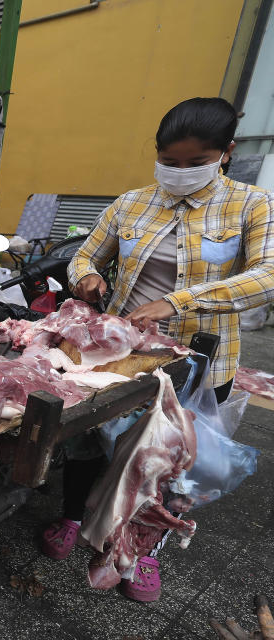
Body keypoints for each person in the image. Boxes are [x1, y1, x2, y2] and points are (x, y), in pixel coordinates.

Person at [43, 97, 274, 602]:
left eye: (196, 162)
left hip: (200, 360)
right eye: (169, 162)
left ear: (226, 153)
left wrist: (176, 302)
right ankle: (72, 516)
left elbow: (267, 277)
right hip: (123, 355)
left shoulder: (253, 205)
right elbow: (85, 251)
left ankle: (146, 547)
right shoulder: (131, 204)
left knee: (175, 463)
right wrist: (84, 275)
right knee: (87, 440)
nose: (180, 172)